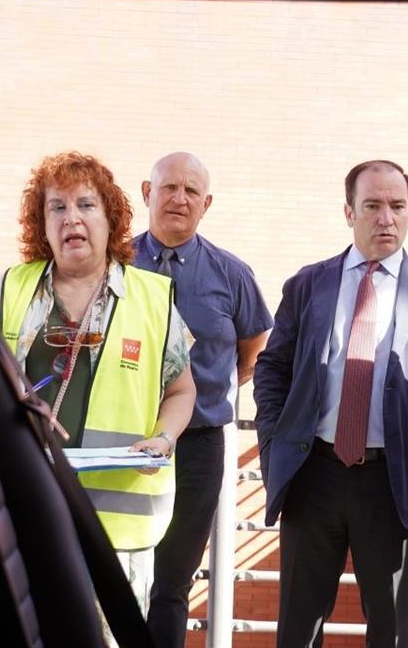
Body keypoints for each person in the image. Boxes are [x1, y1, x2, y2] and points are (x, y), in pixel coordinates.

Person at [254, 160, 408, 647]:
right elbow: (271, 369)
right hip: (312, 475)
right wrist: (274, 442)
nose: (386, 218)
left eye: (397, 206)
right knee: (298, 625)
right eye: (373, 206)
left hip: (392, 481)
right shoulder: (308, 284)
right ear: (348, 211)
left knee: (389, 628)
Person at [0, 151, 195, 644]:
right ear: (43, 223)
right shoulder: (11, 289)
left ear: (111, 218)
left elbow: (183, 391)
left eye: (85, 205)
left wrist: (163, 438)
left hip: (115, 531)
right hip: (27, 508)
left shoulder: (152, 297)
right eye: (56, 208)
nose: (71, 218)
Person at [132, 152, 273, 648]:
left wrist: (199, 391)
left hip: (198, 448)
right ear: (147, 194)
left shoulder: (231, 274)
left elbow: (253, 350)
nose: (179, 198)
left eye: (192, 191)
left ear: (206, 203)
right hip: (124, 445)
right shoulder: (114, 266)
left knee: (172, 583)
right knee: (121, 573)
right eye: (169, 187)